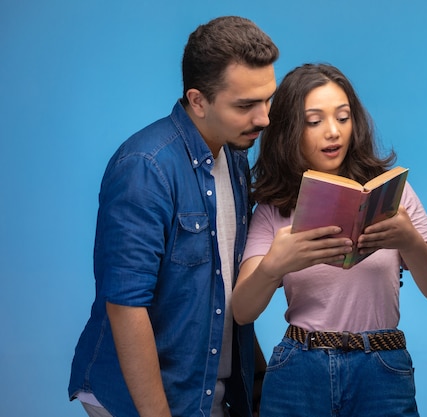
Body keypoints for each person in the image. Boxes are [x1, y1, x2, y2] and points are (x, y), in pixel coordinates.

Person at [68, 16, 279, 417]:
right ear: (198, 101)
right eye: (245, 105)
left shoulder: (234, 157)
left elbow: (221, 286)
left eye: (267, 99)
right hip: (144, 401)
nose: (264, 118)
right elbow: (125, 308)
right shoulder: (146, 167)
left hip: (204, 391)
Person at [231, 63, 427, 417]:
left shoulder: (391, 194)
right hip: (299, 369)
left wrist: (410, 241)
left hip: (382, 367)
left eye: (343, 117)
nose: (333, 132)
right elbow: (242, 311)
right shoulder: (274, 209)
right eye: (314, 121)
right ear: (291, 129)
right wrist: (275, 265)